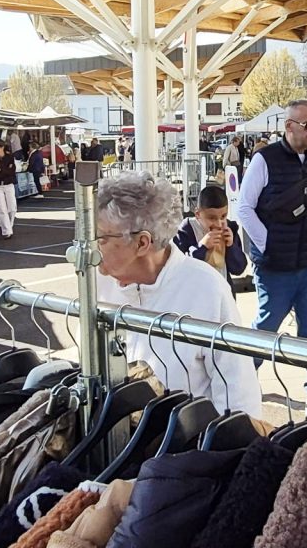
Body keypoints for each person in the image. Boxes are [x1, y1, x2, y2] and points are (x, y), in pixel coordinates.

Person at [95, 172, 261, 415]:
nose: (90, 247)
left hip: (184, 444)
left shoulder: (206, 288)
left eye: (100, 238)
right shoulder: (97, 282)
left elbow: (238, 394)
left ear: (142, 243)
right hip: (109, 442)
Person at [238, 99, 307, 417]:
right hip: (275, 265)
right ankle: (241, 383)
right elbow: (244, 208)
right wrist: (268, 243)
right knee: (266, 327)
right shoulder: (264, 159)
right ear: (289, 126)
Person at [173, 185, 247, 285]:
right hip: (194, 294)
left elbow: (238, 269)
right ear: (198, 214)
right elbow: (177, 268)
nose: (218, 223)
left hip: (223, 292)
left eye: (223, 216)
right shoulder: (186, 230)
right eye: (212, 218)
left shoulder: (229, 229)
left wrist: (231, 246)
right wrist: (202, 247)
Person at [0, 140, 18, 239]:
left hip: (8, 184)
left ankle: (9, 225)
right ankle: (6, 231)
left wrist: (0, 170)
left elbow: (11, 171)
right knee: (1, 208)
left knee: (12, 207)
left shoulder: (10, 158)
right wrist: (4, 171)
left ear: (2, 148)